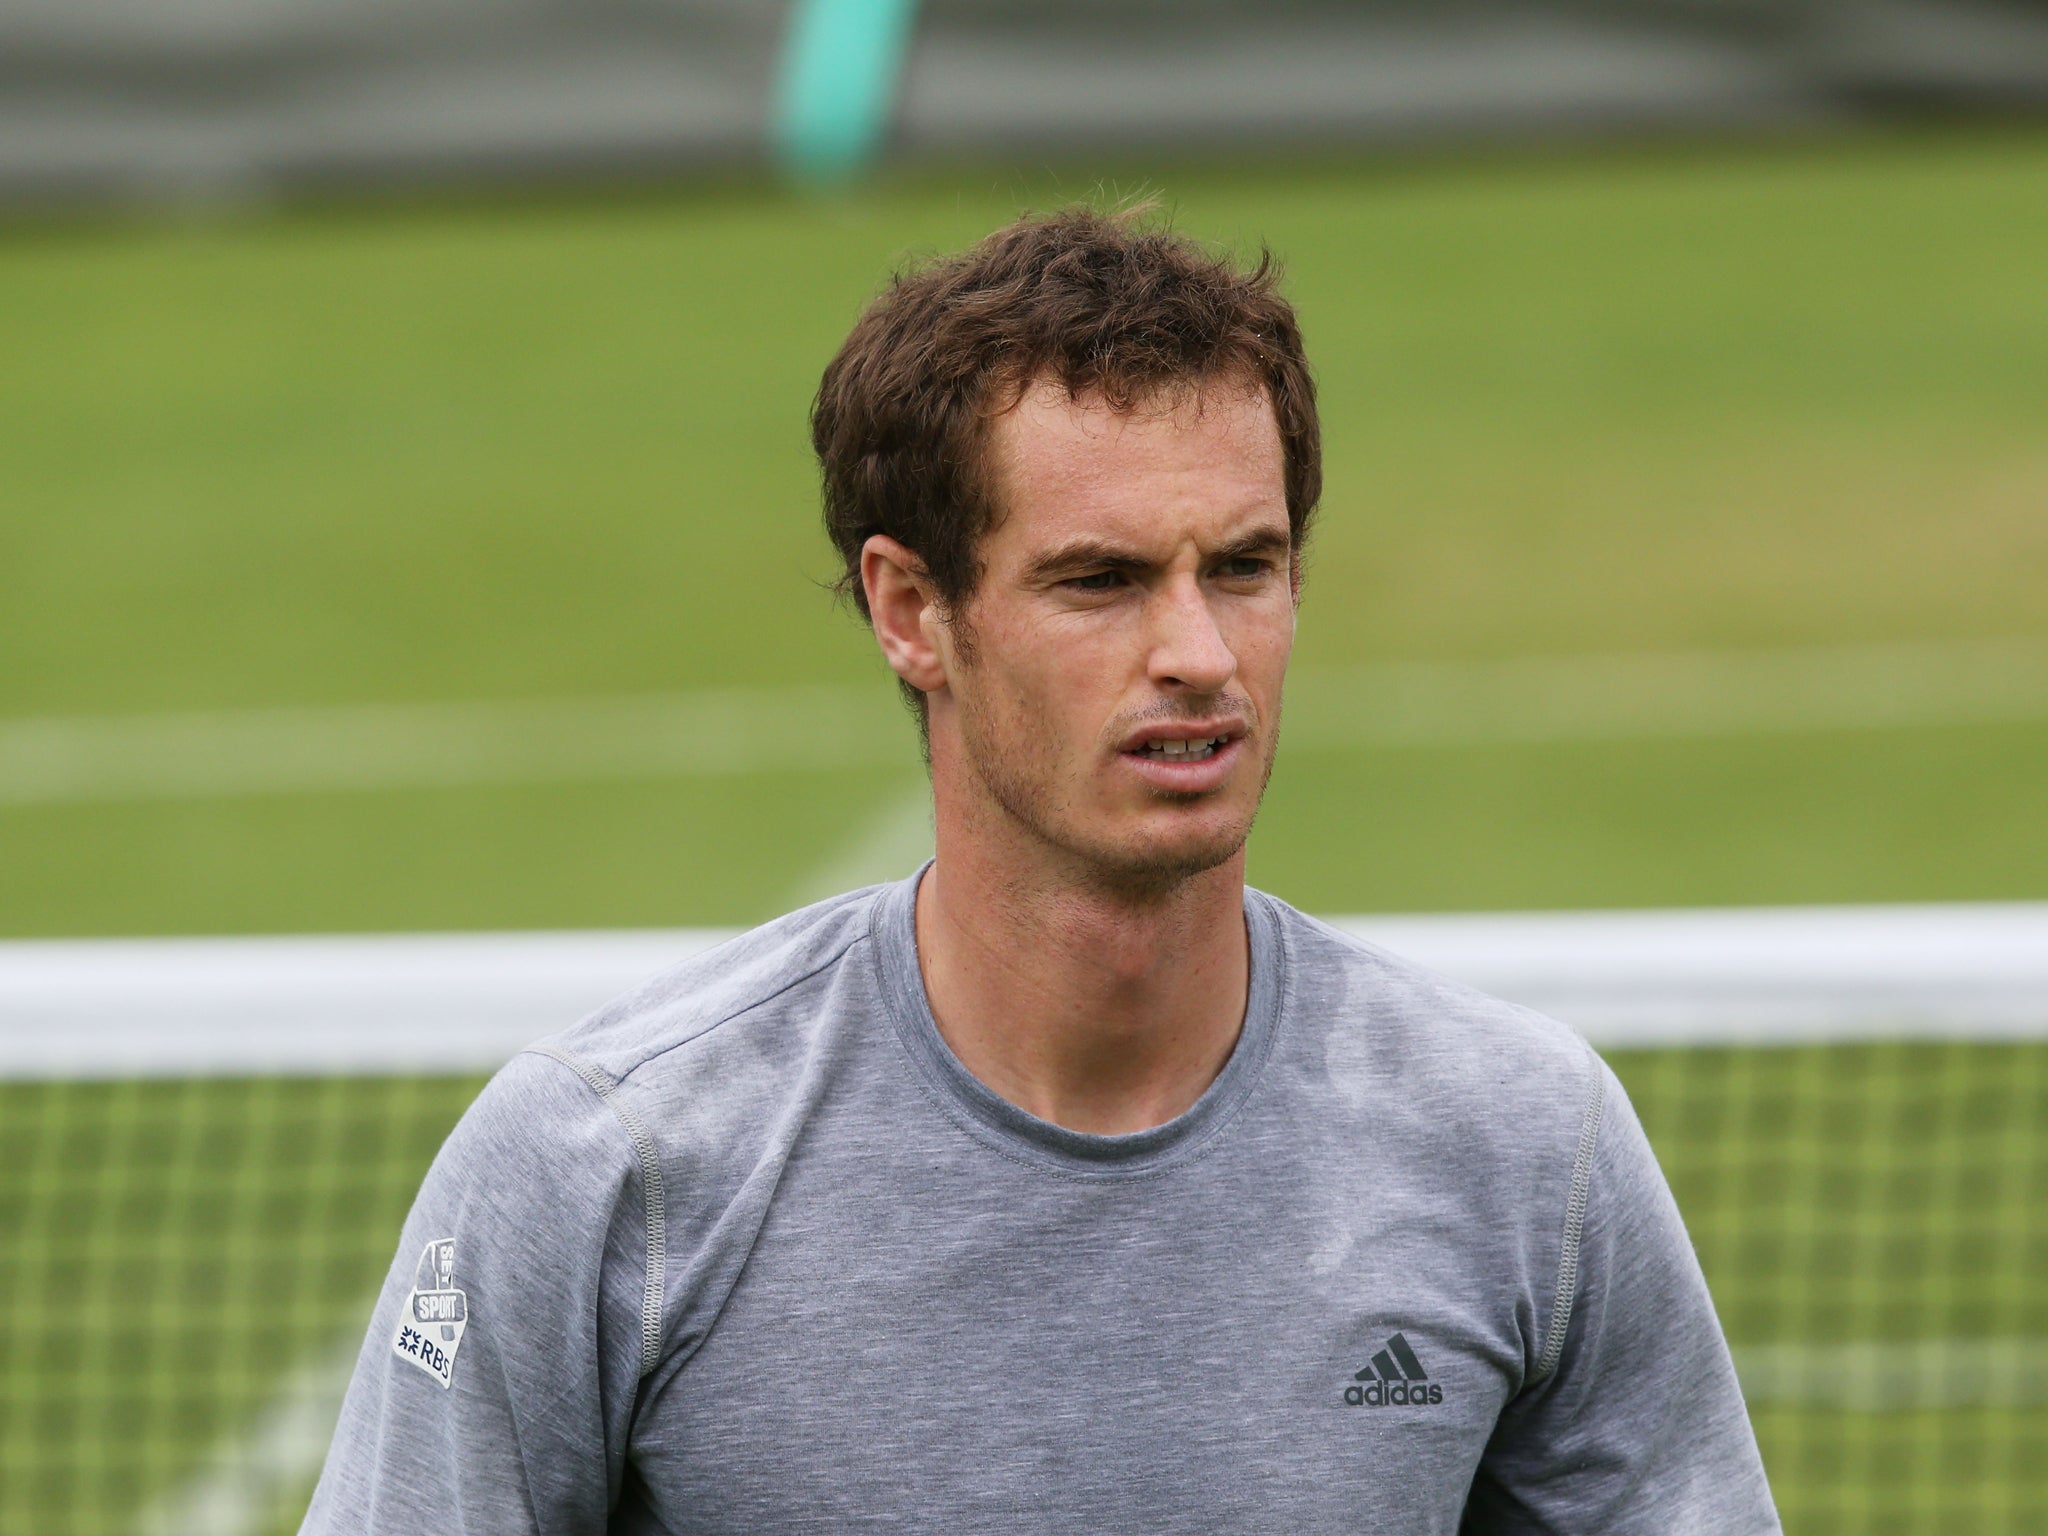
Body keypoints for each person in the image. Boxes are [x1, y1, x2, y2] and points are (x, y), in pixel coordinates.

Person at [302, 207, 1779, 1534]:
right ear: (912, 611)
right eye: (1101, 581)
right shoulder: (607, 1169)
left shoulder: (1524, 1148)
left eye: (1247, 569)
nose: (1200, 657)